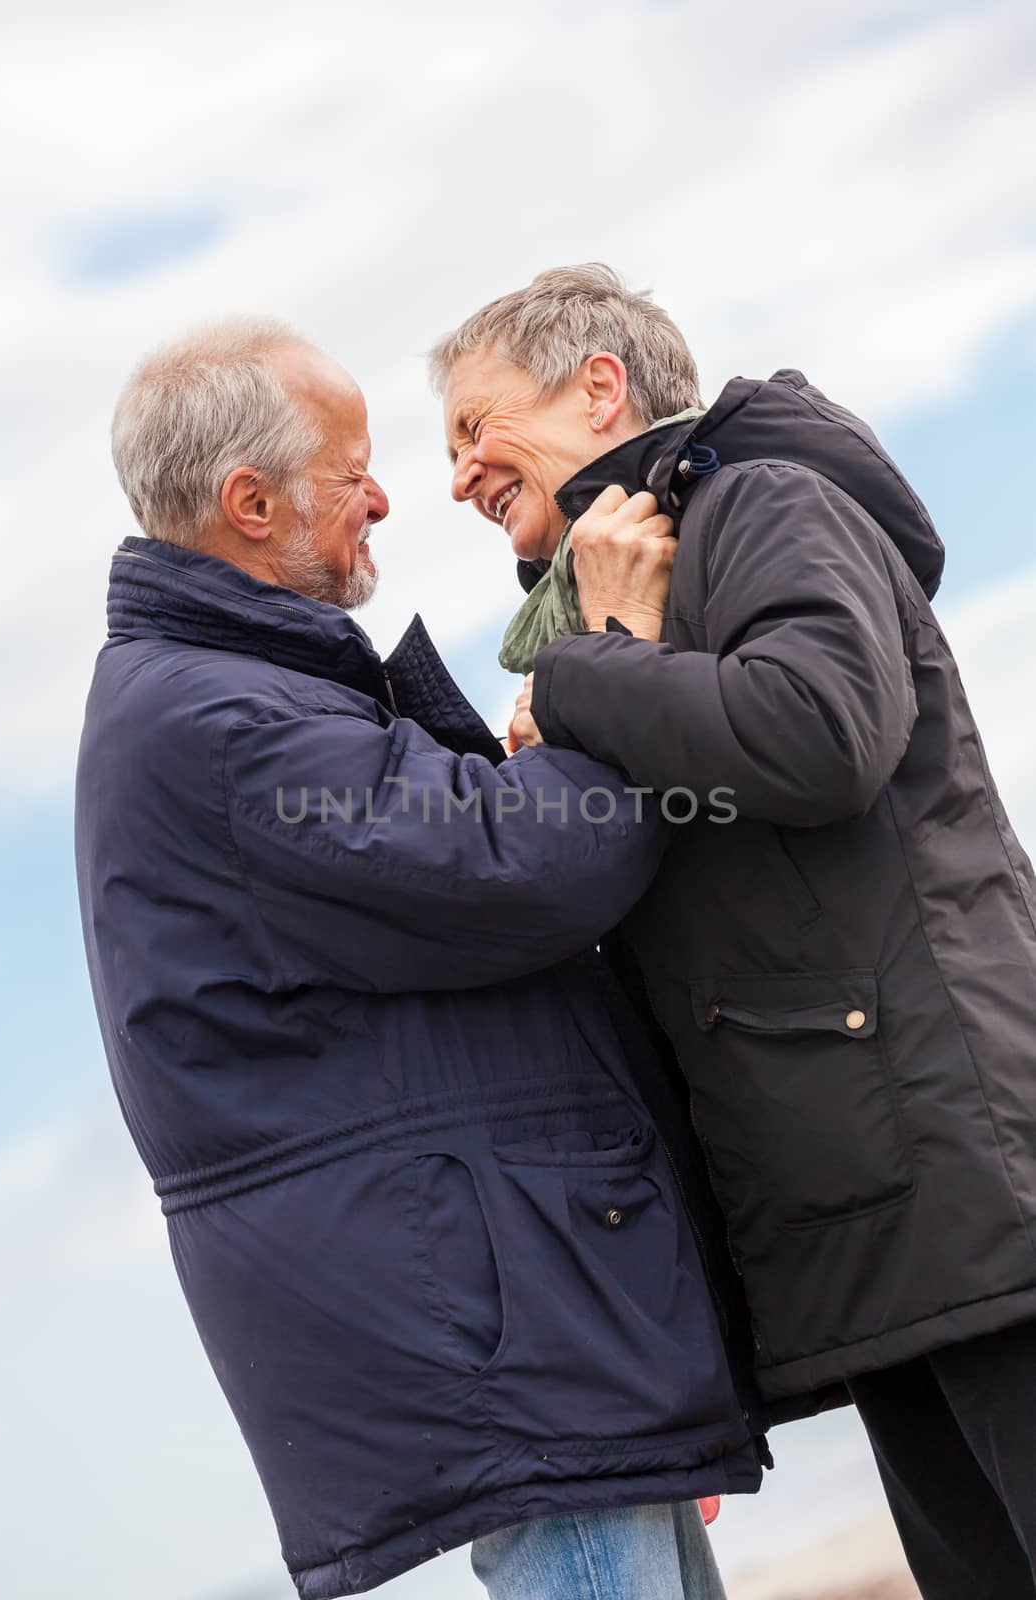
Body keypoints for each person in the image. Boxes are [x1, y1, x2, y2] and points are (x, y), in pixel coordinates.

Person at [75, 318, 762, 1600]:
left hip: (522, 1306)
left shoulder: (225, 692)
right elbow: (532, 867)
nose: (388, 496)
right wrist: (609, 649)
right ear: (249, 501)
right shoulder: (220, 719)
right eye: (353, 473)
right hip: (504, 1327)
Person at [433, 264, 1036, 1599]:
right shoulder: (617, 605)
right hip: (859, 1212)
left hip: (962, 1182)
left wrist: (590, 675)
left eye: (475, 426)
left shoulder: (760, 504)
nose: (459, 472)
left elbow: (819, 740)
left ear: (597, 387)